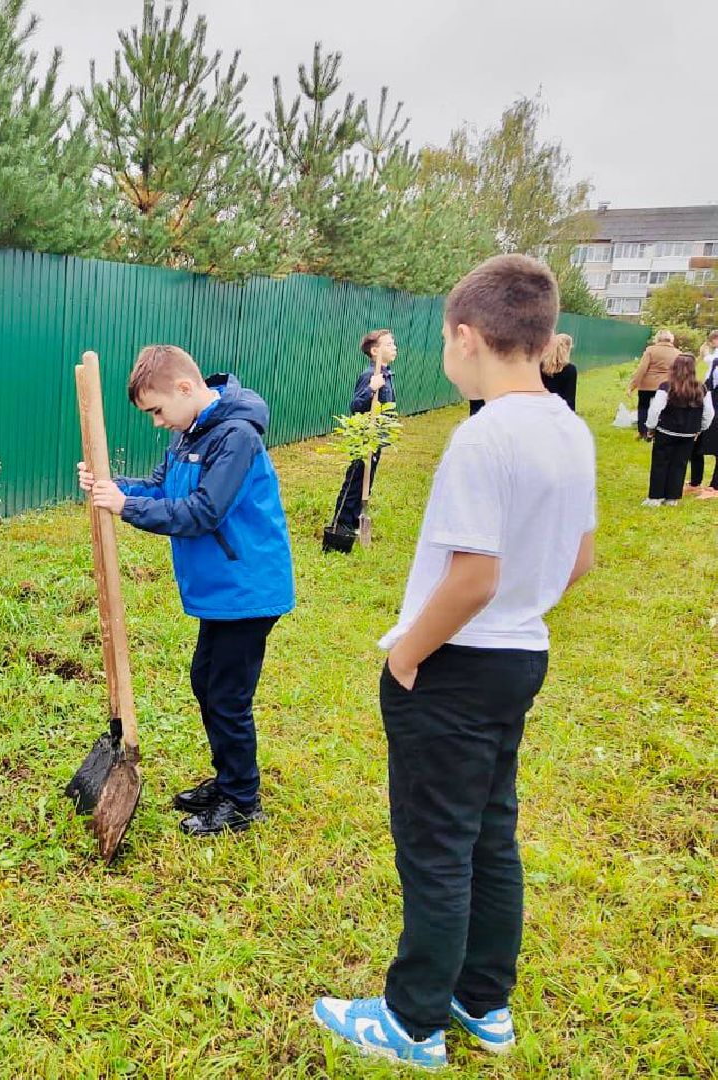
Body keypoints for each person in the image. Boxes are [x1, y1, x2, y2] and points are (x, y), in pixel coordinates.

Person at [312, 255, 597, 1070]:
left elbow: (474, 577)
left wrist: (407, 654)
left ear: (467, 337)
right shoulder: (568, 428)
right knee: (489, 835)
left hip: (453, 667)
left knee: (436, 846)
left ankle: (412, 1022)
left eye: (443, 339)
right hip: (519, 660)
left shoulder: (484, 436)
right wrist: (519, 611)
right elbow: (579, 561)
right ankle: (484, 999)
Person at [78, 345, 295, 837]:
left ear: (183, 388)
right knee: (207, 682)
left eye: (157, 411)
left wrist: (124, 507)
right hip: (221, 590)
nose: (157, 423)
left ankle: (242, 801)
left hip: (248, 590)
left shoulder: (236, 437)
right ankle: (228, 780)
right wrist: (110, 486)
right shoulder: (188, 433)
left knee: (227, 695)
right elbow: (160, 488)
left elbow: (202, 512)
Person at [331, 329, 398, 536]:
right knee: (355, 481)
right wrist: (371, 389)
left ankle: (354, 521)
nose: (394, 347)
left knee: (365, 483)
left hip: (375, 438)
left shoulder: (386, 374)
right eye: (388, 344)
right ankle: (341, 523)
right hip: (363, 438)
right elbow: (356, 406)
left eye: (393, 343)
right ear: (375, 351)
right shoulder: (370, 375)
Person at [642, 353, 713, 506]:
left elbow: (655, 409)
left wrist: (650, 427)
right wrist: (700, 428)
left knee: (660, 463)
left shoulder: (666, 387)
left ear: (674, 368)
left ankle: (655, 497)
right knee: (679, 464)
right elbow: (709, 413)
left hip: (666, 431)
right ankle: (672, 498)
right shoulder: (702, 388)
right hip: (688, 434)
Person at [629, 330, 679, 441]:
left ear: (657, 339)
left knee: (643, 408)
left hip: (647, 385)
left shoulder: (650, 350)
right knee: (663, 409)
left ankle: (643, 432)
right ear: (671, 339)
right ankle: (658, 432)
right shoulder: (677, 353)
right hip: (666, 386)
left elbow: (642, 369)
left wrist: (632, 385)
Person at [687, 330, 718, 497]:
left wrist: (705, 355)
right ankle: (695, 482)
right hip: (710, 403)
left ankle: (715, 487)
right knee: (697, 442)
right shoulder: (715, 360)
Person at [540, 332, 577, 411]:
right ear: (567, 349)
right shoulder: (570, 369)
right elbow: (570, 398)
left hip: (541, 407)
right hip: (558, 410)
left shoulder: (541, 366)